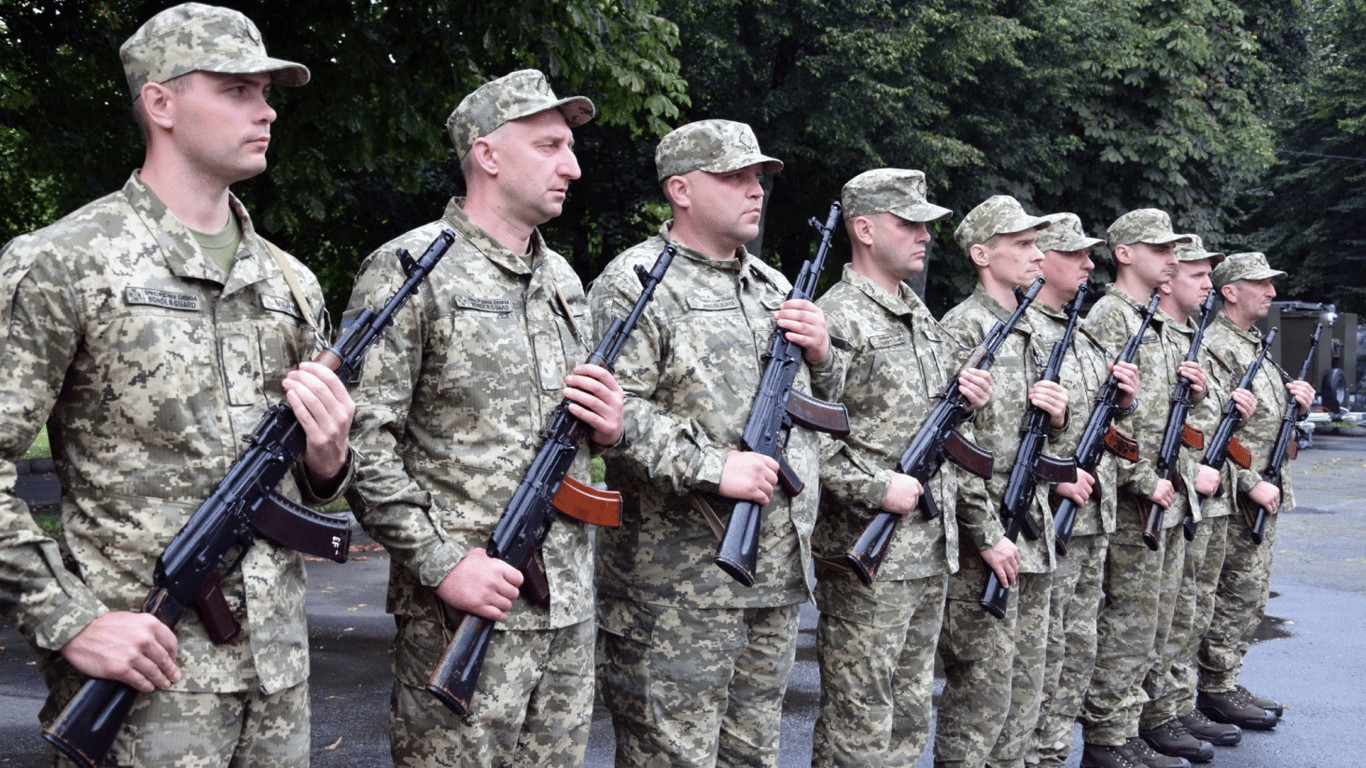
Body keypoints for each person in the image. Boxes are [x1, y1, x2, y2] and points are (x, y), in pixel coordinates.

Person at [0, 4, 355, 766]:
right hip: (147, 692)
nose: (265, 110)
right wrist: (67, 619)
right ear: (160, 103)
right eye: (236, 90)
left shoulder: (290, 280)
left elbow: (310, 485)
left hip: (279, 683)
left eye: (267, 93)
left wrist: (328, 460)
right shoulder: (66, 262)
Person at [341, 70, 623, 768]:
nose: (573, 166)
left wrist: (609, 424)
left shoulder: (562, 282)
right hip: (465, 609)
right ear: (488, 154)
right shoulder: (409, 268)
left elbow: (573, 439)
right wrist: (441, 563)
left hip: (565, 612)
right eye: (550, 145)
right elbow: (361, 441)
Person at [587, 119, 841, 768]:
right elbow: (606, 414)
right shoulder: (637, 281)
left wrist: (823, 353)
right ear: (682, 190)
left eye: (758, 177)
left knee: (753, 757)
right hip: (675, 586)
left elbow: (819, 414)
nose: (755, 190)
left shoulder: (777, 290)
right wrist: (713, 465)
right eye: (734, 176)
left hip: (774, 574)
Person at [808, 169, 992, 768]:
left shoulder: (921, 318)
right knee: (859, 724)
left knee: (911, 716)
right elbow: (808, 444)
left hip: (927, 552)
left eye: (926, 225)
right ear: (863, 229)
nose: (924, 236)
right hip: (868, 554)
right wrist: (878, 487)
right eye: (908, 223)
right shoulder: (835, 319)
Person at [934, 195, 1071, 768]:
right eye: (1023, 245)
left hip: (1031, 531)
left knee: (1024, 687)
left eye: (1038, 245)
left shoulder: (1030, 329)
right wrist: (988, 533)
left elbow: (1048, 444)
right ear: (982, 254)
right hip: (985, 541)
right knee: (981, 694)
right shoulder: (963, 330)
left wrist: (1059, 418)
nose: (1038, 256)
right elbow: (947, 446)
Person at [1080, 210, 1218, 768]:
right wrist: (1144, 479)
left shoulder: (1154, 320)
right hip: (1134, 495)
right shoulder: (1111, 319)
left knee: (1157, 618)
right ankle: (1110, 736)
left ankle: (1135, 723)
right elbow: (1102, 418)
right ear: (1126, 253)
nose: (1172, 258)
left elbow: (1172, 420)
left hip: (1164, 490)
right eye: (1159, 248)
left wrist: (1203, 394)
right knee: (1129, 619)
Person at [1027, 213, 1140, 768]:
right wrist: (1058, 474)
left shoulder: (1080, 332)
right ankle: (1036, 755)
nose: (1087, 264)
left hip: (1092, 512)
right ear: (1039, 258)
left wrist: (1124, 402)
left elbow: (1102, 427)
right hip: (1046, 514)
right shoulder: (1010, 326)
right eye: (1074, 254)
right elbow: (1004, 438)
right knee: (1040, 654)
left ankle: (1053, 754)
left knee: (1076, 646)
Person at [1136, 235, 1251, 763]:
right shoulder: (1131, 326)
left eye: (1210, 276)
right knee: (1143, 619)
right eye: (1197, 276)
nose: (1207, 284)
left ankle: (1175, 704)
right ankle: (1144, 718)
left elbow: (1191, 426)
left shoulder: (1189, 336)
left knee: (1188, 609)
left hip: (1194, 490)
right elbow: (1136, 422)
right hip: (1156, 494)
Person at [1196, 252, 1314, 729]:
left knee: (1249, 596)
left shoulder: (1252, 344)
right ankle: (1213, 687)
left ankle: (1225, 677)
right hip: (1235, 493)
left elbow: (1265, 423)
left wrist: (1297, 405)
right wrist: (1250, 482)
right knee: (1225, 593)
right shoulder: (1215, 346)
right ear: (1230, 291)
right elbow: (1215, 431)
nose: (1270, 292)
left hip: (1264, 488)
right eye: (1260, 283)